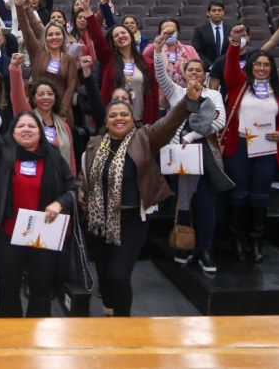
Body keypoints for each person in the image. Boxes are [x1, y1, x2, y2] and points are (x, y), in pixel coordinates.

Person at [81, 79, 203, 316]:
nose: (118, 118)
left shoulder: (145, 137)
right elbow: (83, 175)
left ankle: (124, 322)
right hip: (98, 221)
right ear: (105, 121)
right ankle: (109, 312)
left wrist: (188, 102)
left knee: (119, 274)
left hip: (131, 221)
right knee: (104, 274)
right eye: (113, 115)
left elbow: (169, 124)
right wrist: (81, 191)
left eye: (124, 114)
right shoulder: (94, 144)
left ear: (132, 118)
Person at [0, 88, 76, 318]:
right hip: (9, 234)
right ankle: (9, 339)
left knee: (41, 290)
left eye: (32, 126)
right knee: (8, 289)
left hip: (42, 234)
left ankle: (37, 341)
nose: (27, 130)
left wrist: (59, 204)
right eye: (21, 126)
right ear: (13, 131)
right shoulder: (3, 154)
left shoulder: (53, 157)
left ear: (40, 132)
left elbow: (71, 189)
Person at [152, 30, 227, 272]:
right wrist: (157, 51)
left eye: (198, 70)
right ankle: (183, 245)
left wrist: (192, 135)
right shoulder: (176, 92)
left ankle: (205, 249)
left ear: (205, 76)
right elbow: (160, 74)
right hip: (181, 158)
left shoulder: (213, 95)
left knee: (205, 203)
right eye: (189, 70)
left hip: (206, 155)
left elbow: (219, 122)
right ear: (183, 74)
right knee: (183, 202)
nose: (194, 73)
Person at [221, 24, 279, 263]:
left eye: (266, 64)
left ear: (272, 69)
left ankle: (256, 241)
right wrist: (235, 42)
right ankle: (237, 241)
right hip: (239, 146)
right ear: (251, 66)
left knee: (260, 195)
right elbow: (230, 65)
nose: (261, 68)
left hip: (265, 149)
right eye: (258, 64)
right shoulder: (239, 83)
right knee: (239, 194)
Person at [81, 0, 157, 125]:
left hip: (139, 121)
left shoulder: (147, 63)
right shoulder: (108, 58)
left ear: (131, 36)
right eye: (116, 36)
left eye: (123, 33)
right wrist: (87, 10)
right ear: (114, 43)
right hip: (114, 123)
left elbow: (153, 96)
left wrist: (153, 124)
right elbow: (98, 36)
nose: (120, 36)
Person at [9, 54, 77, 175]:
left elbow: (71, 160)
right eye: (40, 94)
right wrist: (15, 67)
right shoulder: (28, 118)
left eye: (49, 94)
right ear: (34, 99)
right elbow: (17, 94)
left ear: (55, 98)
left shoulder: (64, 127)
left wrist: (72, 186)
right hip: (33, 178)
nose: (45, 98)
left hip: (59, 181)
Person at [191, 0, 230, 70]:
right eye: (214, 11)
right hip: (206, 69)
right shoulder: (200, 30)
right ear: (208, 13)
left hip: (226, 68)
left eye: (219, 10)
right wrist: (210, 66)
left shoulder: (230, 30)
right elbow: (196, 50)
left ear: (223, 13)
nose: (217, 13)